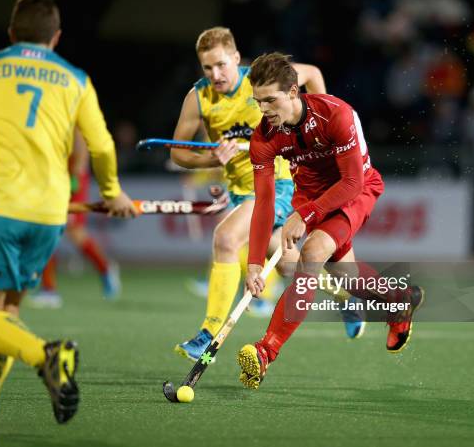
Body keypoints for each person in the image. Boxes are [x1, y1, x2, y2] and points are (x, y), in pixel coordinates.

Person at [0, 0, 138, 426]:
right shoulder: (76, 78)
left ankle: (45, 355)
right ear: (57, 37)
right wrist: (112, 191)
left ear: (11, 33)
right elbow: (102, 145)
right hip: (50, 215)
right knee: (5, 312)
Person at [170, 27, 363, 363]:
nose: (215, 74)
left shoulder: (261, 81)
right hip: (241, 190)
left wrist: (319, 134)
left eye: (221, 65)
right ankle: (348, 300)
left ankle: (208, 333)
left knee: (226, 238)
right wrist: (211, 158)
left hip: (281, 184)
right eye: (206, 68)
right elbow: (178, 153)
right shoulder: (198, 98)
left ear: (235, 58)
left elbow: (313, 74)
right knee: (290, 265)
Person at [238, 53, 424, 389]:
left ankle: (266, 351)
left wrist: (306, 215)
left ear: (293, 91)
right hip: (310, 195)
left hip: (354, 189)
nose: (263, 110)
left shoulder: (336, 113)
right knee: (345, 276)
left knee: (312, 254)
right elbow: (264, 203)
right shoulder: (264, 137)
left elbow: (352, 181)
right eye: (257, 101)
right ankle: (399, 300)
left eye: (270, 100)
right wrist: (253, 263)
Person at [29, 129, 121, 309]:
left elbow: (80, 151)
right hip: (52, 177)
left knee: (73, 232)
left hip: (72, 179)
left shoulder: (71, 109)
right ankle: (48, 289)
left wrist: (73, 181)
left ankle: (105, 269)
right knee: (47, 229)